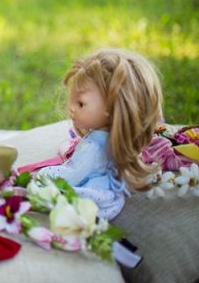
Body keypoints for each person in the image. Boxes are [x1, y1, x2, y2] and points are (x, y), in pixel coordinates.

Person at [38, 48, 164, 220]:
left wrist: (42, 176)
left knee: (49, 192)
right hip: (107, 195)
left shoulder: (93, 147)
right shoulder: (115, 140)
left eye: (81, 103)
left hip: (91, 200)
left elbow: (72, 174)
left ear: (111, 109)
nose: (71, 108)